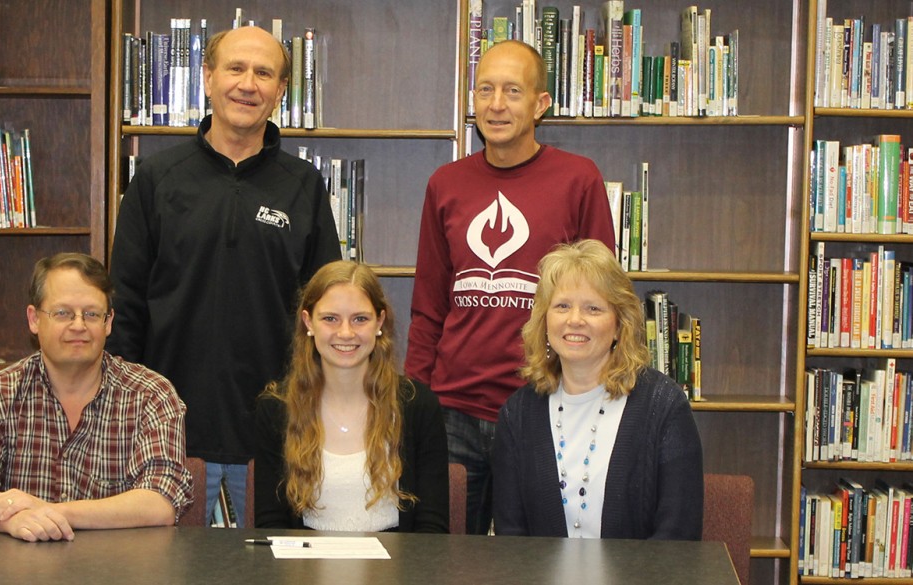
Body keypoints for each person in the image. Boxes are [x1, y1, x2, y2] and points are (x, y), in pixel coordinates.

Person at [106, 25, 341, 526]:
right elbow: (123, 305)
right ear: (208, 79)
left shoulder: (304, 186)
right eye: (235, 68)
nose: (247, 84)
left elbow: (326, 309)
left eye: (264, 73)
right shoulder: (155, 178)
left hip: (274, 433)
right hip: (166, 437)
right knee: (167, 572)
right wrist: (127, 416)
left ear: (280, 92)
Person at [406, 40, 616, 535]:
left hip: (546, 402)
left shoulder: (578, 180)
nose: (497, 104)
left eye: (513, 91)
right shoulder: (445, 183)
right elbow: (428, 306)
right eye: (486, 89)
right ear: (472, 100)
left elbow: (604, 300)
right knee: (448, 558)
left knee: (539, 555)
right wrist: (415, 401)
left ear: (541, 104)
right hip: (453, 409)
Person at [0, 253, 193, 542]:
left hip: (118, 570)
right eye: (62, 313)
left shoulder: (151, 394)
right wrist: (7, 516)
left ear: (108, 323)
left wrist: (45, 512)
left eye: (92, 314)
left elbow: (161, 502)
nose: (79, 325)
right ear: (34, 319)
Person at [492, 239, 702, 539]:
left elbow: (678, 538)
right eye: (562, 306)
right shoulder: (518, 414)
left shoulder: (665, 406)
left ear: (619, 325)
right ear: (544, 321)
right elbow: (511, 538)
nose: (575, 320)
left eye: (593, 308)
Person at [255, 260, 449, 533]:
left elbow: (432, 531)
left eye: (360, 319)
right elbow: (271, 528)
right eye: (330, 318)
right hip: (302, 573)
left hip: (399, 571)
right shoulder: (276, 409)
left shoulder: (418, 406)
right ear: (308, 322)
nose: (346, 333)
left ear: (379, 322)